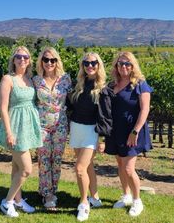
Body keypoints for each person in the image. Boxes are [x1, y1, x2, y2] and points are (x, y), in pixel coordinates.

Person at [0, 46, 43, 218]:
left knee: (16, 167)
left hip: (27, 127)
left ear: (29, 60)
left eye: (26, 57)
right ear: (13, 60)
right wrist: (9, 132)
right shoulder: (8, 79)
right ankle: (6, 203)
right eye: (19, 56)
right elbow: (3, 108)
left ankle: (18, 200)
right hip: (15, 127)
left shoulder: (29, 79)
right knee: (26, 169)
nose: (22, 59)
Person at [104, 51, 153, 217]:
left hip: (132, 131)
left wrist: (135, 130)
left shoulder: (140, 84)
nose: (123, 66)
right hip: (115, 131)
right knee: (120, 165)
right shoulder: (112, 84)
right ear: (116, 66)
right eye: (120, 64)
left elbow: (145, 109)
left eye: (127, 64)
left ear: (133, 66)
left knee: (129, 168)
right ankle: (126, 196)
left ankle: (137, 201)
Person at [68, 52, 106, 222]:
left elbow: (105, 115)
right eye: (86, 63)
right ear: (82, 66)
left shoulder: (104, 88)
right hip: (76, 129)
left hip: (92, 131)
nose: (90, 66)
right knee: (88, 166)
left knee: (79, 168)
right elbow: (70, 106)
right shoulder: (79, 85)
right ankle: (95, 198)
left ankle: (84, 204)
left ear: (99, 65)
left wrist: (103, 138)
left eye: (93, 63)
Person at [32, 47, 72, 210]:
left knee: (56, 160)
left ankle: (52, 191)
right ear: (41, 61)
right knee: (43, 160)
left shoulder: (66, 79)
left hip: (60, 126)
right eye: (46, 60)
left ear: (57, 62)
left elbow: (71, 101)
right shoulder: (35, 80)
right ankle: (47, 193)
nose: (49, 63)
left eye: (52, 60)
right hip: (41, 126)